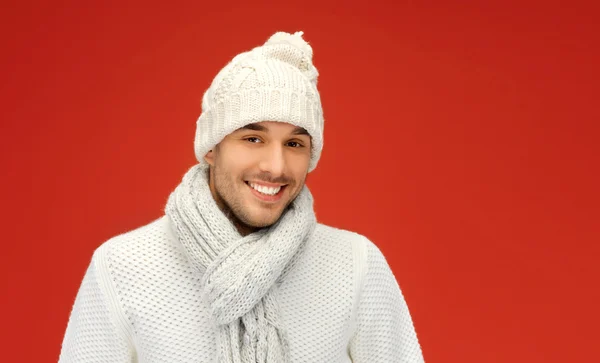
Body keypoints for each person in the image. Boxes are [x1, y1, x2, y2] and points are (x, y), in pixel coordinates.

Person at [59, 31, 425, 363]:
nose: (275, 166)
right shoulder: (123, 266)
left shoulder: (354, 263)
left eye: (295, 143)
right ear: (211, 148)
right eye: (253, 138)